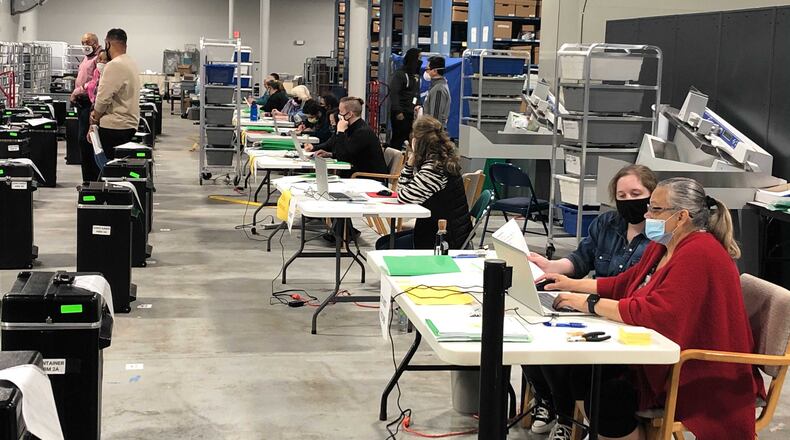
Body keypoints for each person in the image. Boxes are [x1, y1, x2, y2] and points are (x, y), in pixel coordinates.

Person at [542, 177, 761, 440]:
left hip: (697, 371)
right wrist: (573, 284)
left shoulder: (699, 253)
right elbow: (627, 283)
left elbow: (655, 313)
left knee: (608, 395)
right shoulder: (665, 245)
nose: (647, 214)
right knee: (580, 372)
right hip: (665, 355)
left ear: (681, 217)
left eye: (655, 209)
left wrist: (589, 304)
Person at [522, 165, 657, 436]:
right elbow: (580, 260)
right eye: (622, 195)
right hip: (593, 309)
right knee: (530, 332)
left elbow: (628, 289)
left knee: (561, 355)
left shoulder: (658, 240)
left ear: (652, 197)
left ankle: (565, 416)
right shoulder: (606, 224)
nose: (629, 200)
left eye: (636, 193)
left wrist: (574, 288)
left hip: (620, 318)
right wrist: (549, 265)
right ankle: (548, 401)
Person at [375, 116, 472, 250]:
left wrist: (409, 163)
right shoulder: (442, 161)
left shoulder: (434, 169)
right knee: (384, 242)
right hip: (446, 230)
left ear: (418, 142)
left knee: (385, 247)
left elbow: (403, 196)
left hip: (443, 238)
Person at [305, 96, 387, 178]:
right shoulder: (350, 127)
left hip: (368, 178)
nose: (339, 115)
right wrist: (329, 154)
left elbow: (343, 156)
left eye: (341, 112)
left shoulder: (362, 132)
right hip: (355, 174)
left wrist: (340, 132)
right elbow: (341, 149)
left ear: (349, 114)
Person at [90, 28, 140, 161]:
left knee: (110, 169)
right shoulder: (131, 62)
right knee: (122, 168)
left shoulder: (114, 65)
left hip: (114, 127)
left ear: (107, 43)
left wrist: (94, 119)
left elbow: (103, 99)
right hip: (129, 124)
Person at [72, 32, 101, 182]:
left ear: (95, 43)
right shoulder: (86, 58)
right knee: (82, 141)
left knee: (87, 140)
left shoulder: (99, 59)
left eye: (87, 42)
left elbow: (94, 83)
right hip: (81, 102)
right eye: (82, 43)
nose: (85, 46)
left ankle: (91, 180)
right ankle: (87, 179)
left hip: (89, 103)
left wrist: (77, 91)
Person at [389, 48, 421, 150]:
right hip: (401, 113)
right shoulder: (400, 74)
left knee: (410, 139)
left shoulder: (415, 76)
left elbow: (415, 93)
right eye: (418, 58)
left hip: (411, 113)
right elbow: (394, 93)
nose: (420, 61)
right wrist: (398, 111)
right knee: (398, 139)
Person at [419, 56, 451, 128]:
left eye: (427, 69)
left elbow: (435, 118)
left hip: (433, 133)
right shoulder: (436, 86)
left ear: (435, 71)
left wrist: (432, 136)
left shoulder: (438, 89)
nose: (426, 72)